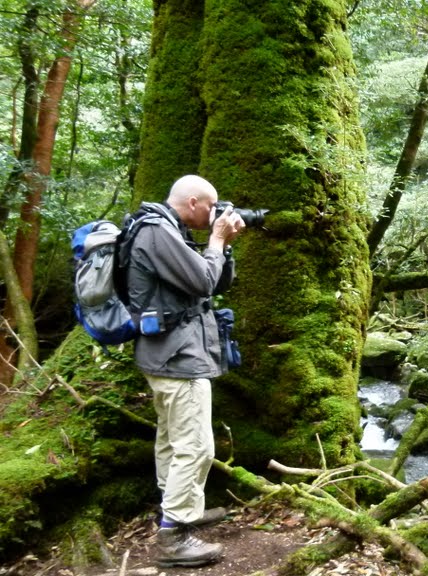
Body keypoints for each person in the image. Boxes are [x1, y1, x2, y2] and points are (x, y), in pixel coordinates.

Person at [125, 174, 245, 567]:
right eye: (211, 208)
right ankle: (174, 536)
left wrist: (224, 247)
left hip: (167, 354)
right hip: (177, 359)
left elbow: (215, 280)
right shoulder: (158, 232)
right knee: (196, 446)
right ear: (193, 202)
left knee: (172, 440)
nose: (214, 214)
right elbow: (202, 281)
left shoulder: (166, 230)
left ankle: (179, 511)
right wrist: (215, 241)